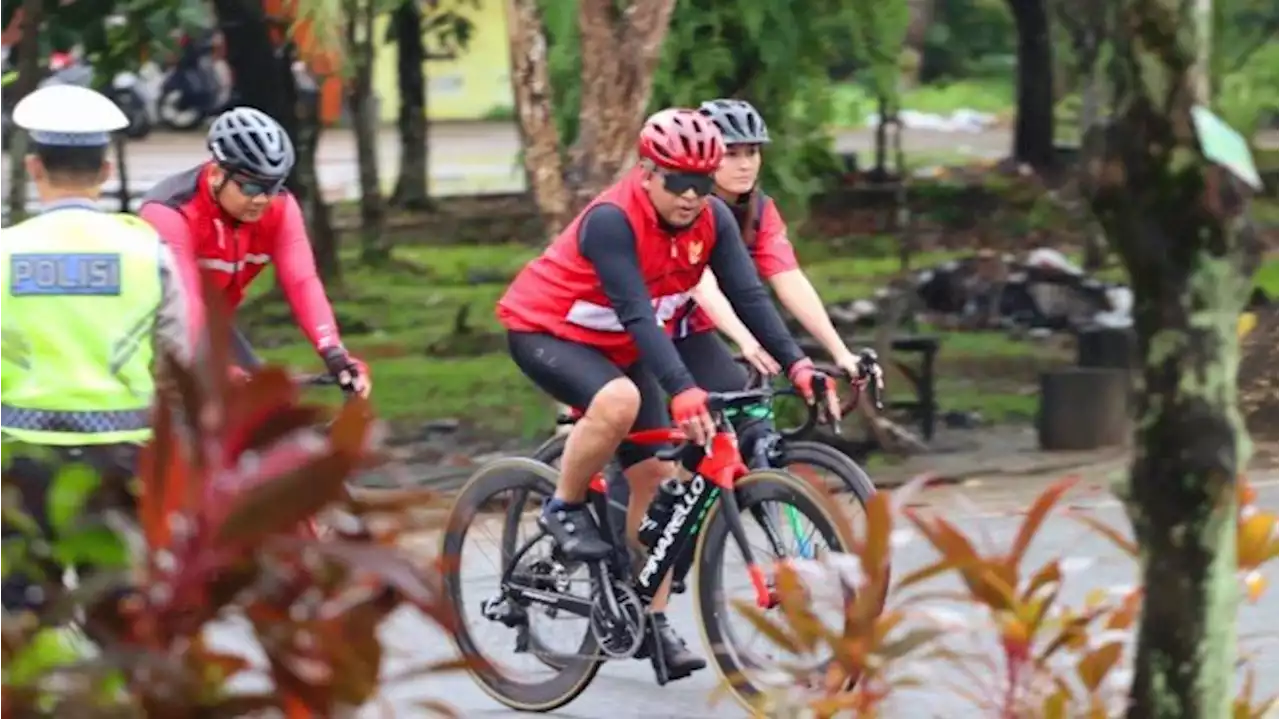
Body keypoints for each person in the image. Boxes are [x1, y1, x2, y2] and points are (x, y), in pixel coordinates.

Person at [496, 108, 838, 680]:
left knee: (654, 488)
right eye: (677, 181)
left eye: (702, 183)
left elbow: (751, 297)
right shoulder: (613, 219)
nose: (690, 196)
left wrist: (799, 364)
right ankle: (563, 507)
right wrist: (681, 390)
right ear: (647, 172)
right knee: (620, 401)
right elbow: (635, 314)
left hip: (621, 343)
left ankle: (648, 621)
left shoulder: (713, 221)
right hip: (547, 330)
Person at [0, 84, 192, 612]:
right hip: (122, 456)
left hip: (22, 457)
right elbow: (181, 358)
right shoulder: (148, 252)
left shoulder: (4, 252)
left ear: (34, 167)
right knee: (119, 607)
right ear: (106, 171)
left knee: (18, 609)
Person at [137, 106, 370, 394]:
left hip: (211, 324)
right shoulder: (170, 212)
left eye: (272, 186)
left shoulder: (280, 209)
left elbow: (302, 282)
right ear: (217, 173)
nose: (261, 199)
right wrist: (219, 371)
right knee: (192, 411)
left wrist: (335, 353)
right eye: (249, 187)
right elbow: (184, 306)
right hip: (156, 326)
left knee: (262, 408)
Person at [675, 98, 881, 397]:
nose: (745, 164)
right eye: (731, 154)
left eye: (752, 152)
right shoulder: (685, 205)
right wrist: (747, 341)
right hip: (639, 322)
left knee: (739, 406)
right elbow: (701, 286)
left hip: (689, 328)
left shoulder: (758, 209)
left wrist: (840, 352)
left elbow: (789, 279)